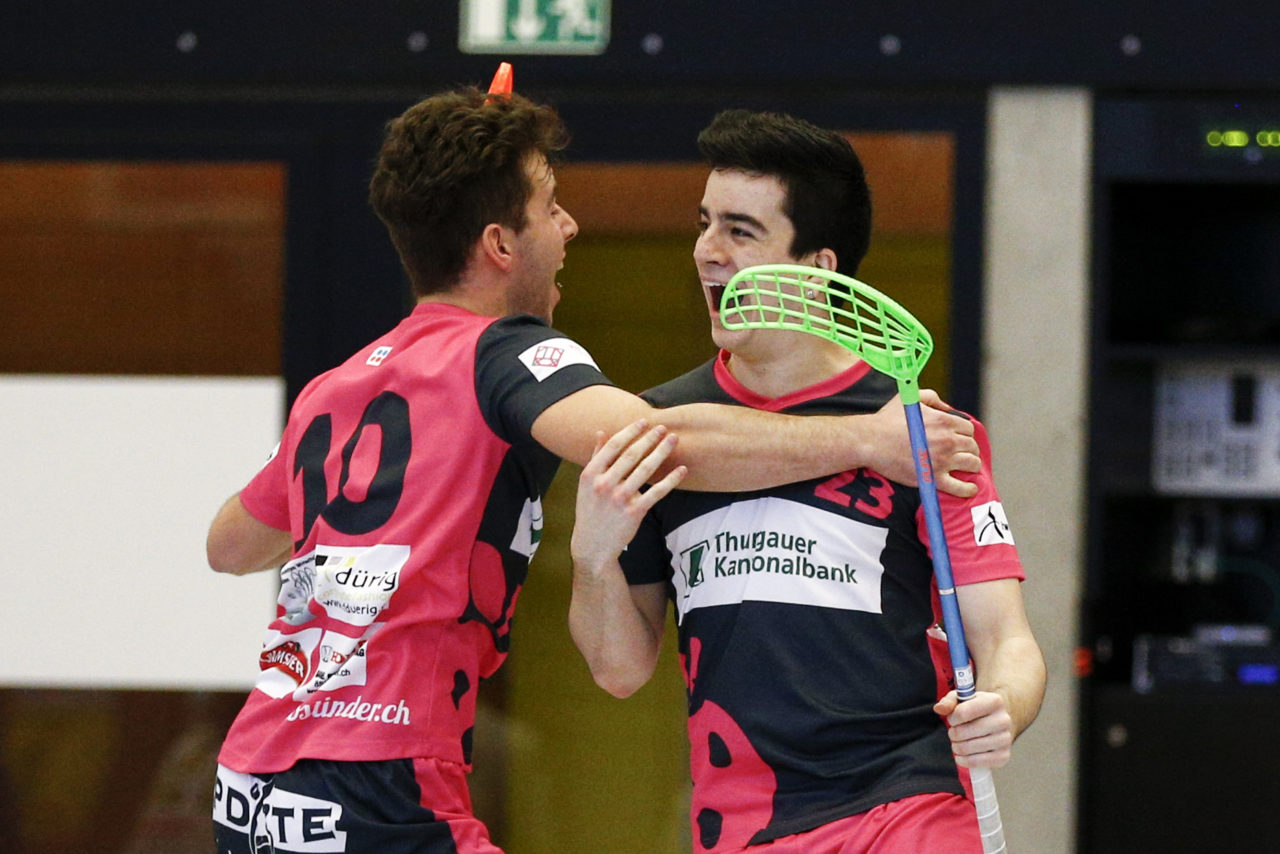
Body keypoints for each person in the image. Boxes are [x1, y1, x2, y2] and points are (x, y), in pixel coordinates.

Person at [205, 86, 982, 854]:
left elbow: (231, 545)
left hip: (254, 780)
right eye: (550, 206)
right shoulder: (509, 355)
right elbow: (656, 443)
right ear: (500, 245)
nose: (570, 225)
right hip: (381, 775)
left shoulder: (337, 387)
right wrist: (867, 441)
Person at [569, 109, 1047, 853]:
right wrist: (593, 559)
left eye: (741, 231)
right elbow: (619, 670)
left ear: (817, 269)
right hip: (744, 825)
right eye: (704, 223)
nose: (707, 251)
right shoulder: (662, 428)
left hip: (905, 806)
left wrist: (1003, 706)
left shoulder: (926, 433)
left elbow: (1007, 639)